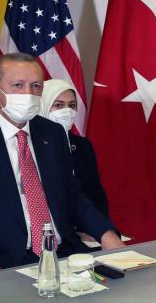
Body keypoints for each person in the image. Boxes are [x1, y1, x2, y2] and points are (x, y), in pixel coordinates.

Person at [0, 53, 125, 278]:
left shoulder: (52, 133)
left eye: (36, 86)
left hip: (62, 255)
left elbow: (72, 195)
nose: (28, 94)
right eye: (18, 85)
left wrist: (106, 234)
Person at [40, 79, 109, 218]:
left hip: (86, 225)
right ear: (43, 105)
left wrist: (102, 226)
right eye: (59, 105)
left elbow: (96, 193)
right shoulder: (29, 144)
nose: (67, 111)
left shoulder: (83, 145)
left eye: (72, 105)